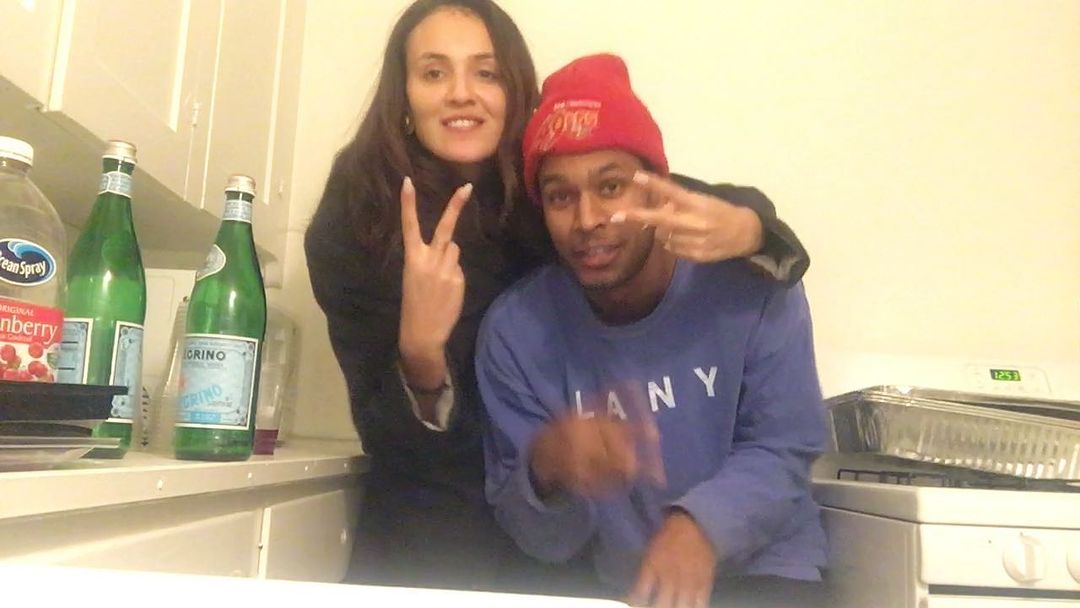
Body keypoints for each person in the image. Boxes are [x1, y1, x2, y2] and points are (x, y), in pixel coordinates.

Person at [304, 0, 810, 593]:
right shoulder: (358, 223)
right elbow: (392, 441)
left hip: (654, 556)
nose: (461, 93)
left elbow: (662, 189)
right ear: (403, 97)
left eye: (486, 72)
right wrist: (421, 355)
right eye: (434, 72)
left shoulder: (546, 174)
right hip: (447, 517)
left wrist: (753, 229)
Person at [476, 53, 828, 608]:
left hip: (769, 574)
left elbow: (787, 446)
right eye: (561, 196)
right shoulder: (516, 333)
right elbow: (542, 542)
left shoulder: (748, 279)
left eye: (611, 186)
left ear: (656, 189)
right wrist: (547, 467)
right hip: (631, 591)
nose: (587, 219)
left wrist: (700, 526)